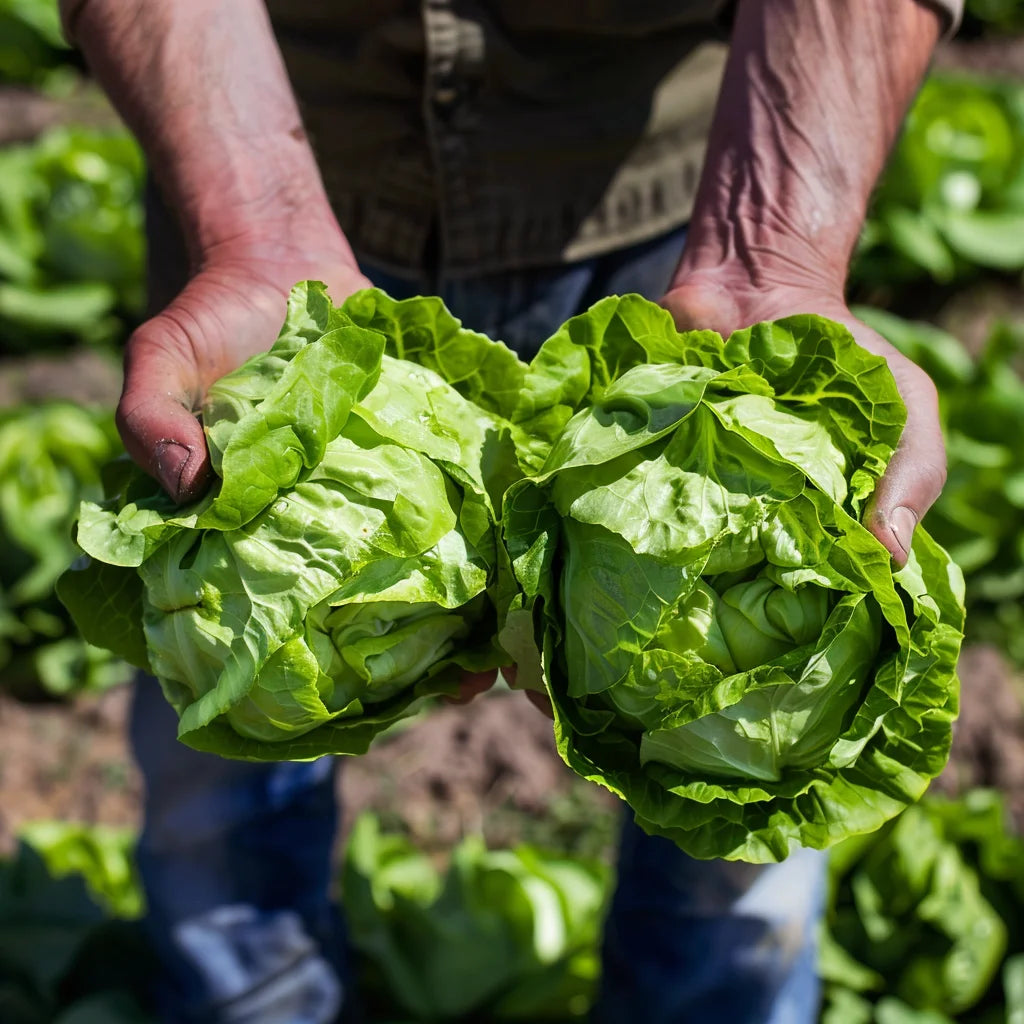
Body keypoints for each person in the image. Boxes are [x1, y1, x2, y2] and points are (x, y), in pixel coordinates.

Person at [59, 1, 961, 1021]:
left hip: (684, 194)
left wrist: (774, 255)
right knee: (216, 761)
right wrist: (251, 227)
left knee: (741, 838)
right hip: (241, 145)